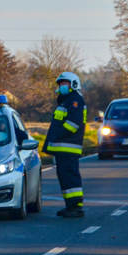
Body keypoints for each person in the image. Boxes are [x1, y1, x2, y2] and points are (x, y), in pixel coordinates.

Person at [44, 71, 86, 218]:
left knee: (70, 177)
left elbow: (73, 124)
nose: (61, 86)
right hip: (62, 148)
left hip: (68, 147)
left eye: (64, 83)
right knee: (65, 177)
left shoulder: (75, 100)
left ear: (73, 84)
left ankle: (76, 207)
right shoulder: (66, 100)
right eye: (60, 84)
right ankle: (70, 206)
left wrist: (57, 135)